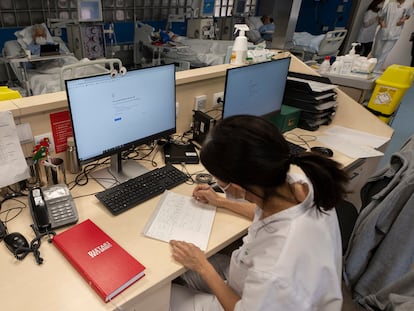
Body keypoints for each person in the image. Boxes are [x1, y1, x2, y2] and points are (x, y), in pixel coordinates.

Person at [169, 115, 350, 311]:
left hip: (254, 301)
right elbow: (271, 213)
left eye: (220, 183)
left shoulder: (275, 267)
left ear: (237, 187)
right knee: (183, 269)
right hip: (261, 283)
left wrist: (203, 267)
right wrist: (220, 201)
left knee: (161, 298)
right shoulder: (299, 182)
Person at [372, 0, 412, 72]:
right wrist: (382, 23)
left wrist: (403, 19)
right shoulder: (390, 4)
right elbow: (380, 15)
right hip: (384, 31)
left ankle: (375, 71)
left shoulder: (408, 5)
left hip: (395, 32)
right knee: (376, 52)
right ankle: (372, 68)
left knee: (384, 53)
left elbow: (409, 14)